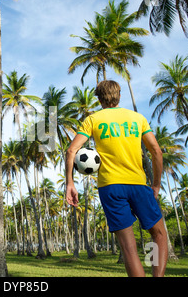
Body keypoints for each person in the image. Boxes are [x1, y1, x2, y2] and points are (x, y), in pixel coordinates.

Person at [66, 80, 168, 277]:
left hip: (110, 187)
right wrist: (156, 184)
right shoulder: (137, 118)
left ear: (98, 98)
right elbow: (156, 151)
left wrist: (70, 183)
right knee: (159, 235)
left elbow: (72, 150)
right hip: (138, 184)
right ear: (119, 95)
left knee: (128, 248)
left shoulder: (93, 120)